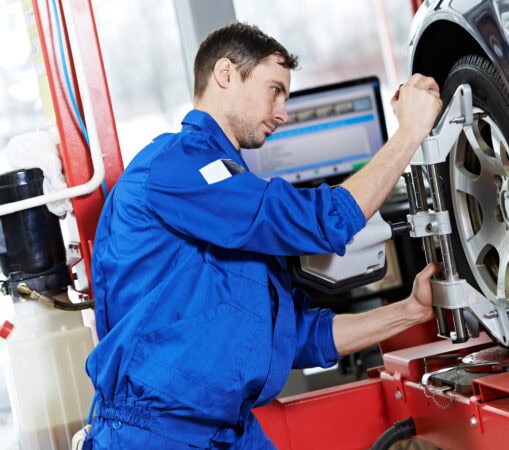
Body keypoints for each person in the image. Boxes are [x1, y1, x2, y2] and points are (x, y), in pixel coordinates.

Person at [84, 22, 442, 449]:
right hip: (156, 433)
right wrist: (409, 132)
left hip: (228, 430)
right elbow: (323, 222)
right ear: (226, 74)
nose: (283, 113)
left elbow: (296, 337)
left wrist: (410, 311)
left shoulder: (231, 188)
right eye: (275, 90)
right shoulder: (175, 167)